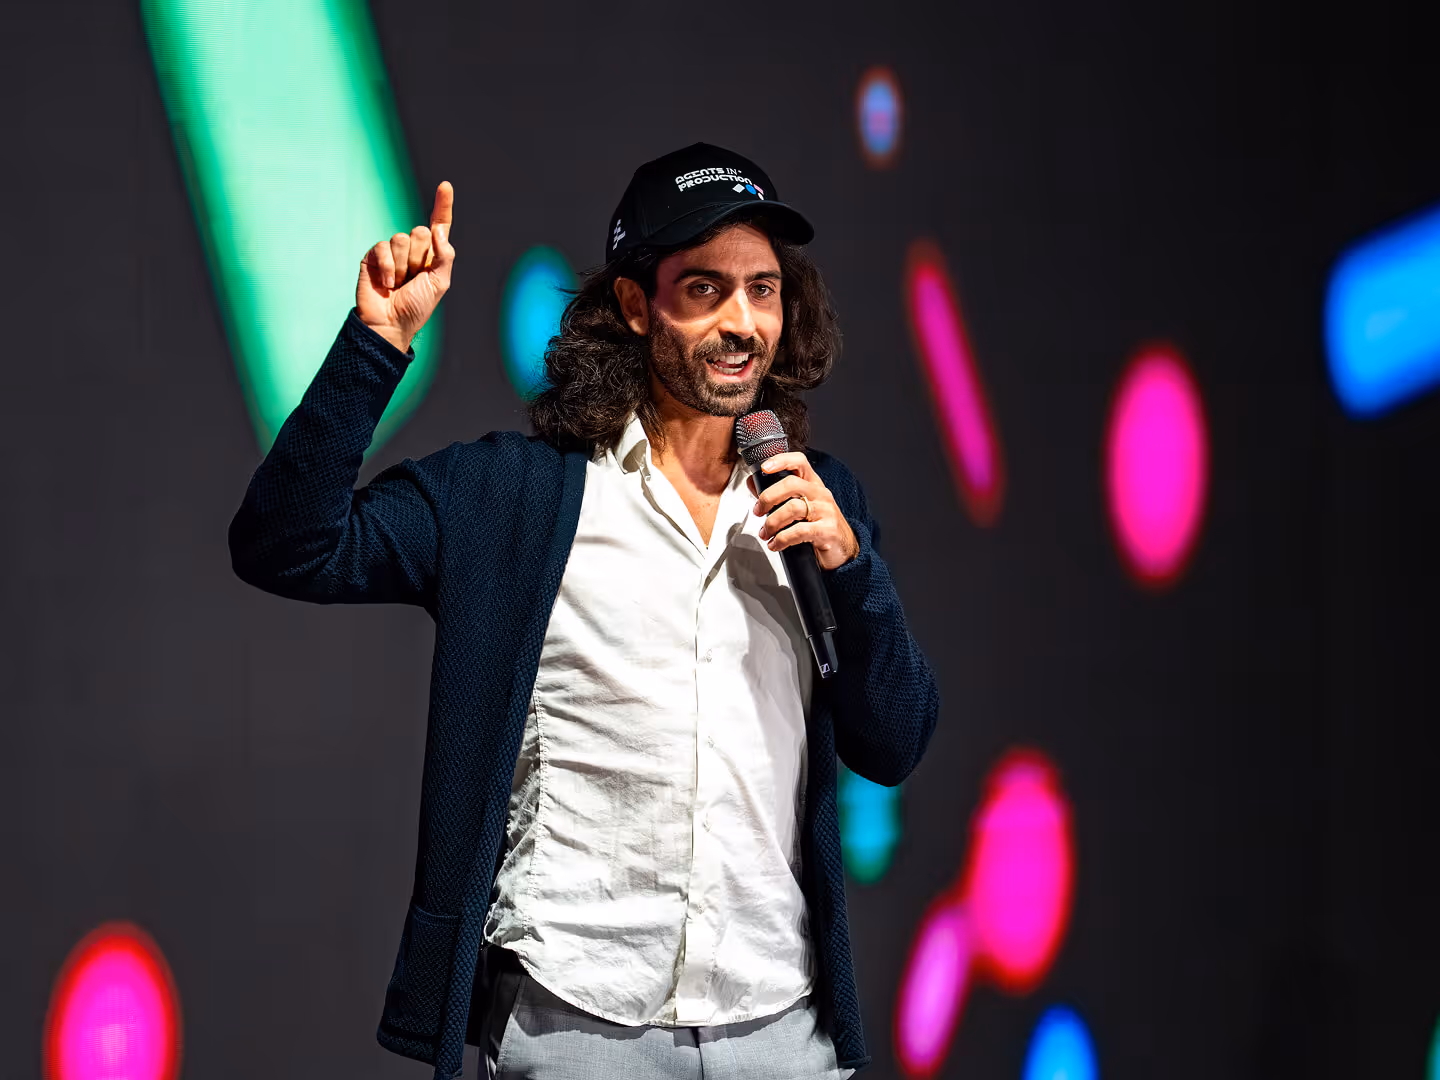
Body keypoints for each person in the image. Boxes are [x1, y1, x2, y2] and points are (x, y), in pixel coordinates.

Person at [229, 143, 939, 1080]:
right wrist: (375, 346)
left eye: (763, 291)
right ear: (638, 305)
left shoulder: (819, 503)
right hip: (575, 1029)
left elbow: (894, 742)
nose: (743, 324)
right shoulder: (512, 497)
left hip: (779, 1027)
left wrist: (853, 573)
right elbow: (287, 543)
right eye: (706, 291)